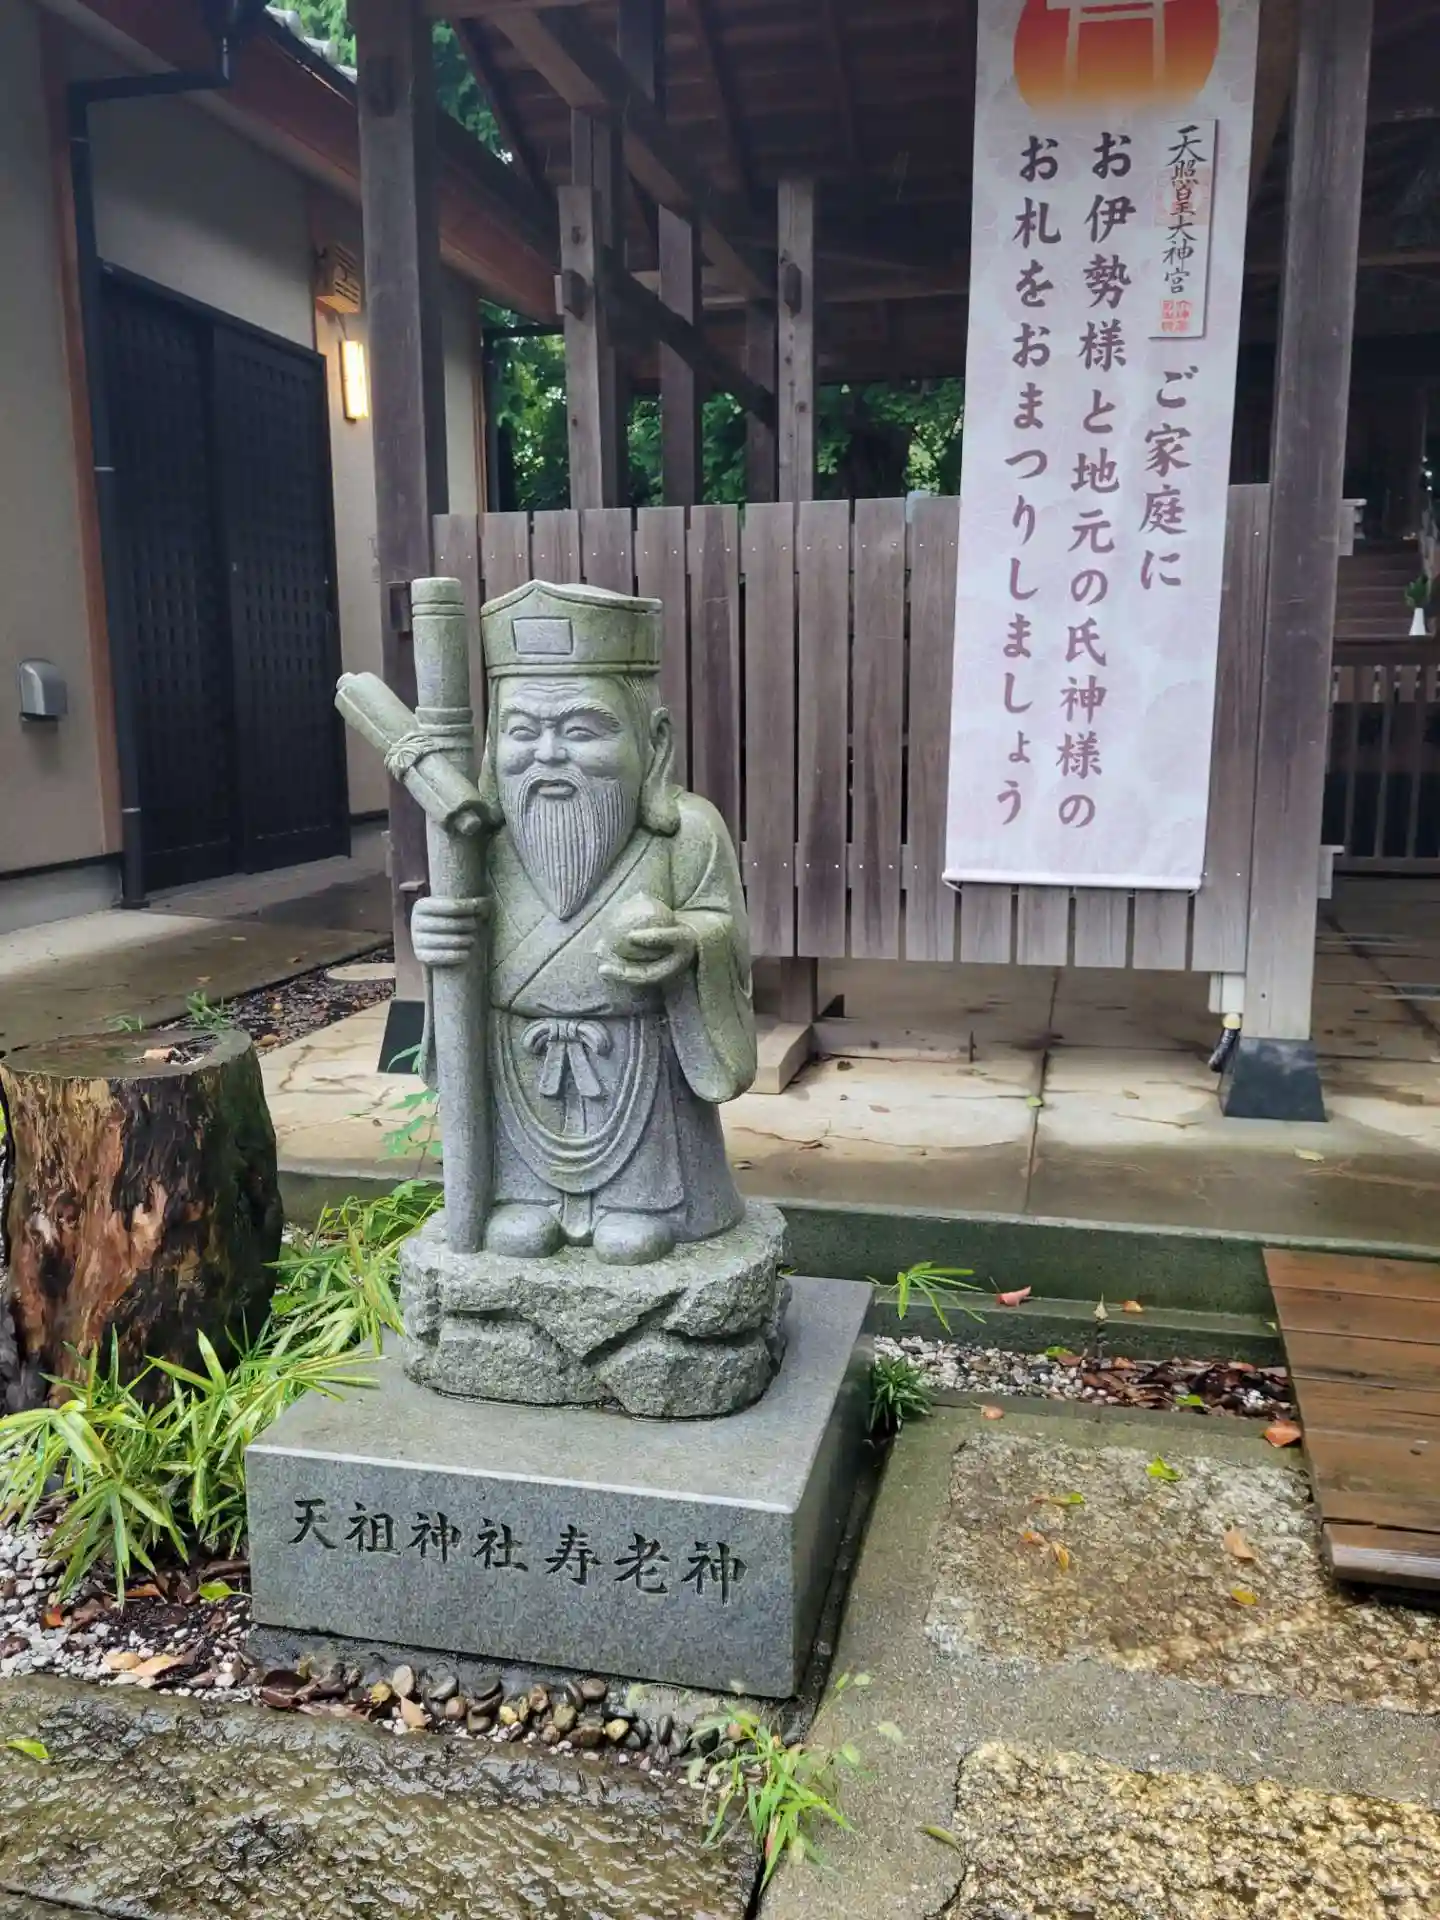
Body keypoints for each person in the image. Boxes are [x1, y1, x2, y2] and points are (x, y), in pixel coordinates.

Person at [411, 580, 756, 1266]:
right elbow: (461, 972)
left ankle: (648, 1203)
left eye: (580, 731)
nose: (547, 755)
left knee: (638, 1232)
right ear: (491, 747)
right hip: (520, 1063)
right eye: (522, 732)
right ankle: (525, 1195)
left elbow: (725, 935)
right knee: (516, 1230)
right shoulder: (478, 845)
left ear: (654, 742)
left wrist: (690, 948)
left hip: (646, 1075)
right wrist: (438, 942)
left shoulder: (686, 835)